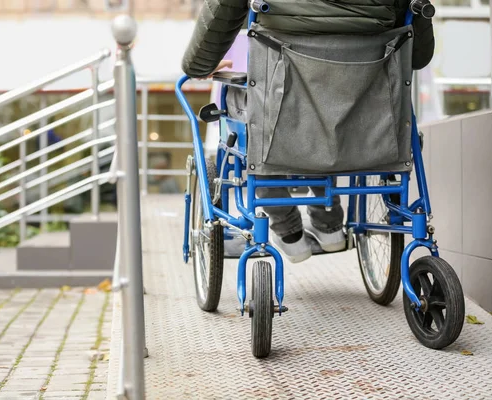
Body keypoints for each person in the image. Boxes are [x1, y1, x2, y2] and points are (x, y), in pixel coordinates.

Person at [181, 0, 434, 263]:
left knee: (266, 113)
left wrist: (197, 66)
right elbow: (418, 56)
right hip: (365, 103)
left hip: (283, 96)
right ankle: (330, 226)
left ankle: (287, 231)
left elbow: (223, 8)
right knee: (329, 105)